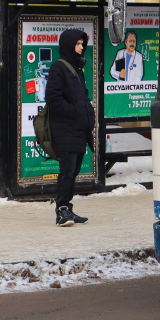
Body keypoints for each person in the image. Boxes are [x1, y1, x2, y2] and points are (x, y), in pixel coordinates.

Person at [45, 28, 94, 226]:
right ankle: (62, 210)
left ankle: (67, 208)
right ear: (69, 45)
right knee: (67, 171)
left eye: (83, 44)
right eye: (78, 44)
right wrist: (75, 112)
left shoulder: (76, 68)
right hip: (66, 130)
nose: (82, 47)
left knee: (72, 172)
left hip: (78, 130)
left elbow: (82, 97)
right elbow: (53, 98)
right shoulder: (59, 67)